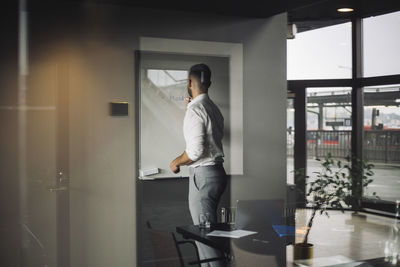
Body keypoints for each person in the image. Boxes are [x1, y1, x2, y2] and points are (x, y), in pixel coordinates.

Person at [170, 63, 227, 267]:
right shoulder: (212, 108)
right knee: (208, 233)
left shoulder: (196, 110)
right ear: (209, 83)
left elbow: (195, 152)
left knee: (205, 238)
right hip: (216, 174)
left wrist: (176, 162)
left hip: (203, 176)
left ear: (189, 82)